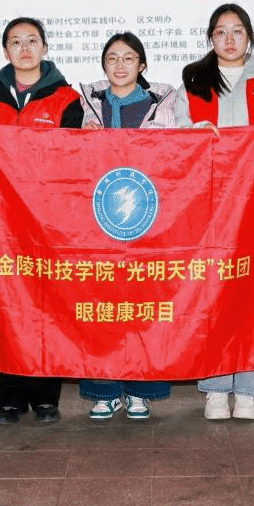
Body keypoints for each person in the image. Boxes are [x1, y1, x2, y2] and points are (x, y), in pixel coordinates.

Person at [174, 2, 254, 421]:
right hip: (206, 211)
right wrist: (194, 133)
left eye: (237, 31)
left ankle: (248, 389)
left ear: (250, 37)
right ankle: (214, 388)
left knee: (251, 297)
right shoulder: (193, 83)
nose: (229, 39)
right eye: (221, 32)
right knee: (211, 296)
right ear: (210, 38)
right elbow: (172, 141)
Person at [0, 17, 84, 424]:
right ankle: (10, 396)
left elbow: (73, 161)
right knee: (9, 305)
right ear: (5, 51)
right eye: (15, 42)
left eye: (32, 40)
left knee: (48, 307)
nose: (24, 48)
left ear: (45, 48)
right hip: (1, 222)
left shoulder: (67, 100)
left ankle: (46, 395)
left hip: (49, 222)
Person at [77, 32, 178, 420]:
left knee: (145, 305)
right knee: (100, 307)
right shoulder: (88, 103)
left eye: (129, 58)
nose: (120, 65)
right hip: (98, 219)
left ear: (142, 65)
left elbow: (176, 154)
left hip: (150, 218)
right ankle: (104, 390)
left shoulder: (162, 103)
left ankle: (140, 390)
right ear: (104, 65)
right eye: (112, 58)